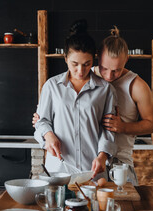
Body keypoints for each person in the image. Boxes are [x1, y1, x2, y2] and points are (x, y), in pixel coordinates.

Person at [33, 26, 153, 185]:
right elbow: (44, 121)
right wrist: (45, 129)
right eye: (104, 68)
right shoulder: (63, 80)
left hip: (113, 163)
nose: (108, 75)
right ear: (98, 59)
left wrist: (120, 128)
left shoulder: (126, 87)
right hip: (67, 167)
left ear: (126, 59)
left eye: (116, 70)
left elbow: (152, 124)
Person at [34, 20, 117, 178]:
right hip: (58, 170)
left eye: (87, 64)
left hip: (92, 171)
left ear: (94, 59)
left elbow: (108, 129)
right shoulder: (51, 86)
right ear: (65, 58)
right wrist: (48, 135)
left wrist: (103, 156)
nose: (80, 71)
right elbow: (41, 121)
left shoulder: (106, 89)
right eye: (75, 64)